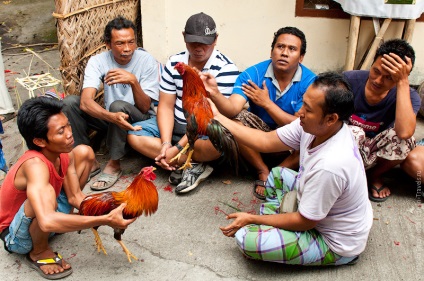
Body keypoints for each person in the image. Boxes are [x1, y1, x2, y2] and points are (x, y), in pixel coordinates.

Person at [213, 72, 373, 265]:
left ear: (331, 118)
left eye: (308, 109)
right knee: (277, 175)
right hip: (322, 210)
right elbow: (264, 141)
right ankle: (279, 223)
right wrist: (218, 117)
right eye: (303, 103)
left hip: (336, 242)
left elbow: (306, 222)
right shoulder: (314, 126)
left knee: (246, 238)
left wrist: (252, 219)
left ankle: (337, 255)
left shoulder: (330, 165)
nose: (300, 112)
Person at [0, 97, 135, 279]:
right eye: (61, 131)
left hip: (49, 213)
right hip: (17, 236)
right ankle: (38, 252)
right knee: (46, 194)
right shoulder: (35, 165)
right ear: (40, 141)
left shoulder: (61, 153)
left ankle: (62, 221)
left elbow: (75, 196)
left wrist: (107, 209)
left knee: (84, 152)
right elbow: (47, 220)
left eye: (68, 126)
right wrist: (104, 219)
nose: (70, 133)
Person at [127, 12, 239, 194]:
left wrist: (177, 148)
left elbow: (207, 119)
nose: (199, 48)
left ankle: (182, 160)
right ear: (184, 38)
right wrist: (165, 143)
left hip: (202, 133)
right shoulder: (174, 62)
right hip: (175, 126)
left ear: (216, 39)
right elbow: (165, 105)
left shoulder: (226, 69)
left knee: (215, 146)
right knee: (133, 135)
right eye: (193, 41)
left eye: (205, 42)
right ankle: (193, 163)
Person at [200, 26, 315, 199]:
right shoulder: (253, 73)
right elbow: (232, 109)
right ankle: (262, 171)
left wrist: (267, 104)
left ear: (301, 57)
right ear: (271, 51)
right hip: (258, 140)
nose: (284, 53)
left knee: (312, 134)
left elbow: (301, 124)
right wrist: (215, 94)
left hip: (290, 145)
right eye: (280, 47)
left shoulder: (311, 82)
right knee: (238, 118)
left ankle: (278, 172)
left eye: (292, 49)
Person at [63, 16, 160, 191]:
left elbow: (146, 108)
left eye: (131, 42)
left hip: (138, 120)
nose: (127, 49)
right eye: (120, 43)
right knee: (70, 103)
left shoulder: (146, 61)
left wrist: (133, 82)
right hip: (112, 117)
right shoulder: (98, 61)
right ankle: (88, 159)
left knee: (118, 105)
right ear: (108, 44)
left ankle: (114, 163)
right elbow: (85, 102)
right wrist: (111, 117)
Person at [343, 39, 421, 202]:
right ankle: (350, 179)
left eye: (389, 77)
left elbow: (405, 132)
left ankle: (373, 175)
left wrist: (402, 83)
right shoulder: (349, 80)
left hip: (377, 153)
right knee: (352, 132)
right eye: (376, 71)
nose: (378, 80)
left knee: (405, 140)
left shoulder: (409, 95)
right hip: (345, 152)